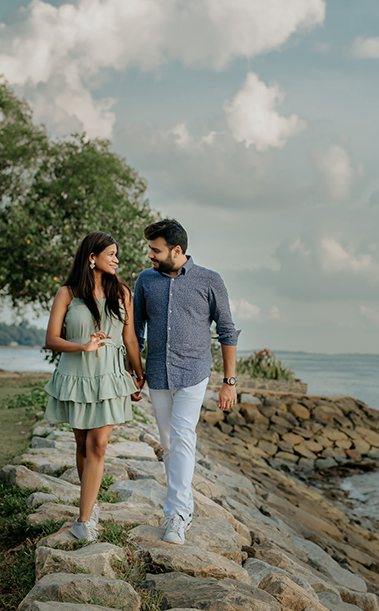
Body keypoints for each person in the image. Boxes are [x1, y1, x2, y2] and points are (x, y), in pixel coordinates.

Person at [133, 218, 239, 545]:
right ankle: (184, 505)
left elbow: (227, 331)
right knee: (169, 444)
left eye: (156, 249)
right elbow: (135, 332)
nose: (150, 255)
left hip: (194, 373)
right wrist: (134, 375)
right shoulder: (145, 281)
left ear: (176, 250)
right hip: (158, 374)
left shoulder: (210, 281)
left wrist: (229, 381)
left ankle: (176, 515)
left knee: (182, 436)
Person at [44, 231, 145, 541]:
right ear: (92, 257)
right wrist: (82, 346)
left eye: (117, 254)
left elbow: (129, 338)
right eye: (111, 253)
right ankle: (91, 502)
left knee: (97, 444)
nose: (116, 259)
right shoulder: (68, 293)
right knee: (82, 446)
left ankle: (83, 521)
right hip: (76, 376)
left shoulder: (123, 293)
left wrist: (138, 374)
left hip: (110, 377)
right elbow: (51, 340)